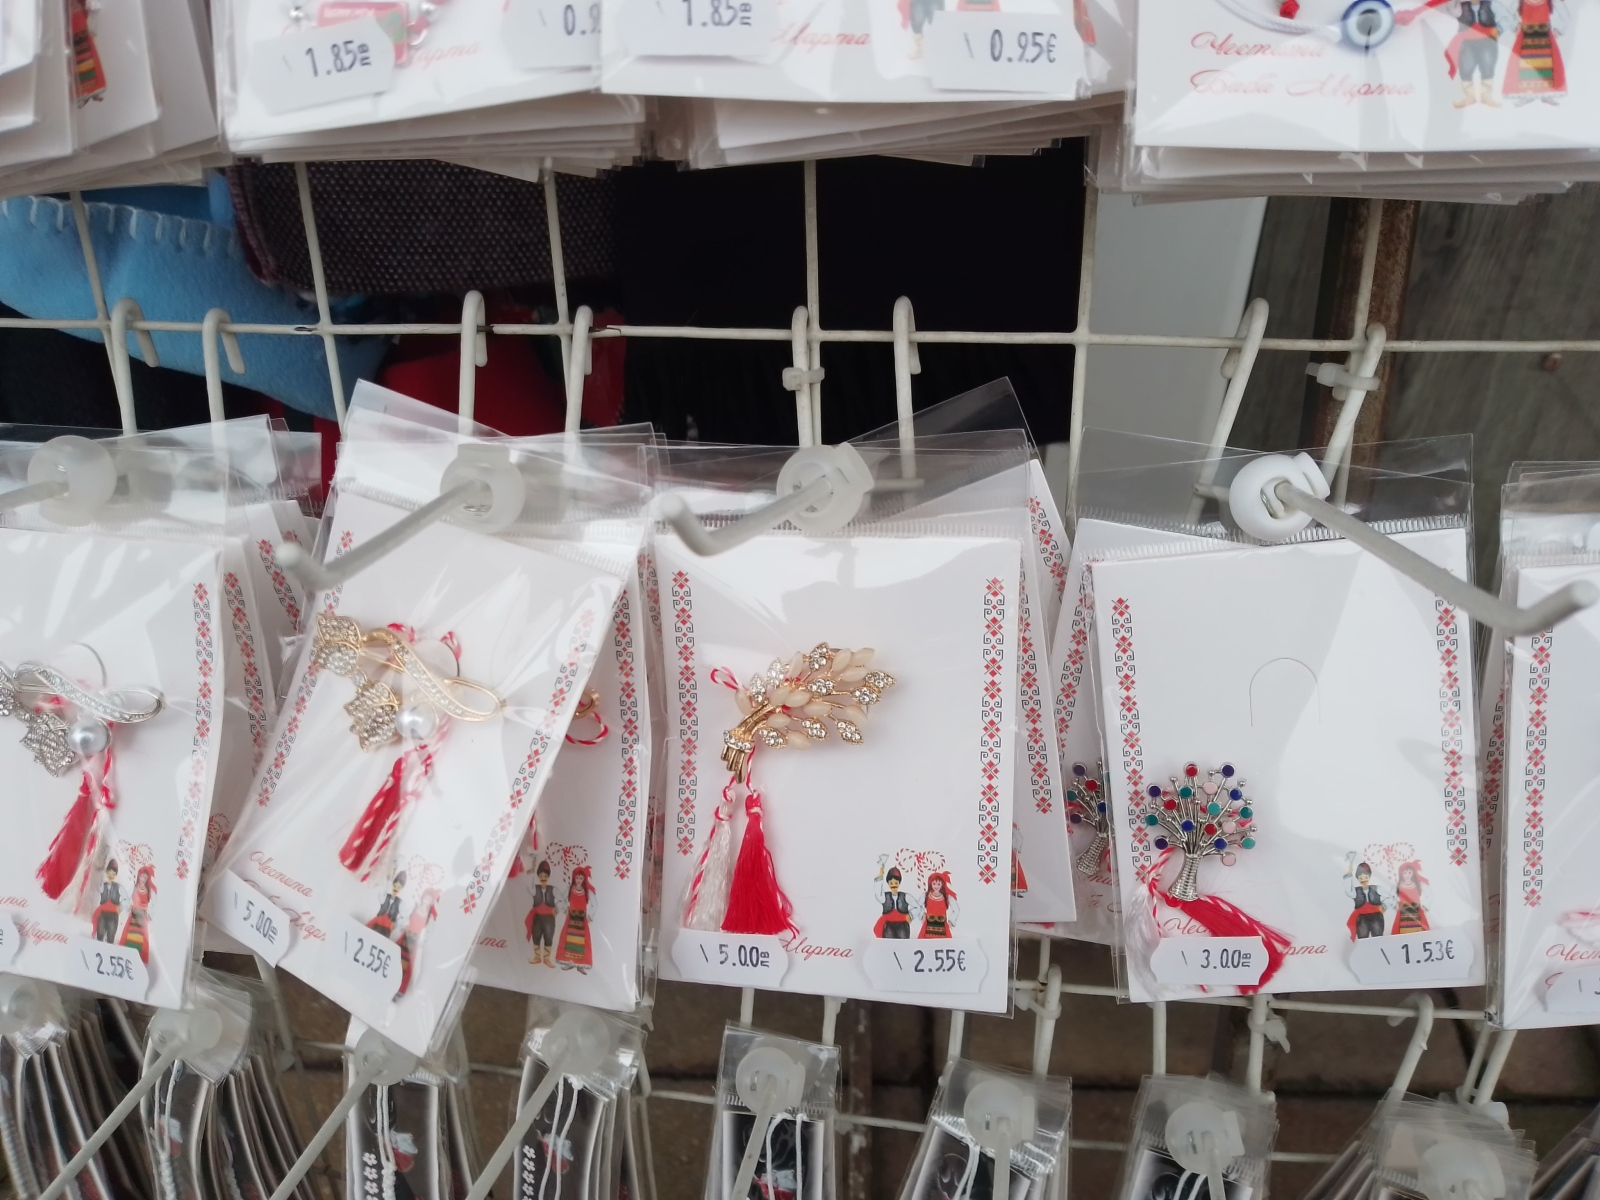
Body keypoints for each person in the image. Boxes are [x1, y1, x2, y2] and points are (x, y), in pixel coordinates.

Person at [1396, 0, 1500, 105]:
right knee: (1466, 68)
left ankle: (1487, 97)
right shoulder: (1458, 7)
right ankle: (1469, 97)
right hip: (1467, 40)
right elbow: (1453, 10)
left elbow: (1504, 16)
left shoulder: (1491, 4)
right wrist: (1414, 12)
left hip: (1487, 39)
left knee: (1487, 67)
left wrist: (1499, 29)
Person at [1503, 0, 1566, 103]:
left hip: (1545, 38)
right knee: (1525, 66)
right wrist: (1515, 26)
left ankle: (1546, 94)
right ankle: (1527, 94)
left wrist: (1558, 29)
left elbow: (1564, 14)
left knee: (1546, 66)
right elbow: (1507, 13)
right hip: (1525, 38)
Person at [396, 887, 439, 999]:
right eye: (425, 898)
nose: (426, 901)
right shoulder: (415, 907)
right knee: (396, 957)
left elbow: (429, 931)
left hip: (414, 942)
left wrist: (422, 940)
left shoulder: (429, 916)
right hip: (405, 937)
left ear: (431, 902)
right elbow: (405, 917)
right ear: (422, 897)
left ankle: (400, 989)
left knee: (408, 966)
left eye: (429, 900)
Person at [555, 866, 595, 971]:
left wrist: (590, 915)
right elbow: (562, 899)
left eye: (581, 878)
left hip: (582, 920)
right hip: (571, 919)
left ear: (584, 879)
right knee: (569, 941)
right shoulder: (569, 889)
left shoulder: (587, 891)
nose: (578, 880)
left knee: (582, 943)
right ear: (574, 878)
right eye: (577, 878)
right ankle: (570, 962)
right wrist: (564, 909)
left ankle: (580, 965)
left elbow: (594, 904)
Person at [118, 865, 156, 964]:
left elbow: (153, 904)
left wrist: (150, 914)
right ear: (139, 876)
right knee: (129, 935)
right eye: (142, 876)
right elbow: (127, 898)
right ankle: (126, 954)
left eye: (145, 878)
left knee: (141, 938)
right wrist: (124, 907)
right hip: (133, 915)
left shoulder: (149, 891)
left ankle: (138, 957)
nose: (143, 879)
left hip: (142, 917)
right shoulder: (134, 888)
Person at [525, 861, 559, 966]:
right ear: (538, 876)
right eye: (541, 876)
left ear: (548, 876)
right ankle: (537, 957)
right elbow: (529, 886)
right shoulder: (535, 889)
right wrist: (531, 871)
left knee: (548, 937)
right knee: (536, 937)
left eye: (545, 876)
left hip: (549, 919)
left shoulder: (553, 889)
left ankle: (546, 959)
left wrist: (556, 909)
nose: (543, 878)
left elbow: (563, 900)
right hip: (538, 918)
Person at [1346, 861, 1386, 940]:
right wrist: (1348, 876)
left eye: (1366, 877)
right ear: (1358, 878)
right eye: (1361, 878)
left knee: (1378, 935)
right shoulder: (1355, 891)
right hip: (1362, 917)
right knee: (1363, 936)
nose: (1363, 880)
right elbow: (1348, 891)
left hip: (1376, 916)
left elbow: (1389, 896)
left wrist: (1384, 907)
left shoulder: (1377, 888)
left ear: (1369, 877)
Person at [873, 864, 912, 939]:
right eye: (891, 883)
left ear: (899, 883)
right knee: (888, 941)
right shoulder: (885, 897)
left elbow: (917, 906)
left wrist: (911, 916)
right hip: (889, 925)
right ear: (888, 883)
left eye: (896, 883)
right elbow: (878, 894)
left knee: (903, 941)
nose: (894, 885)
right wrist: (880, 877)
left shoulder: (905, 896)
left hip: (902, 925)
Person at [1391, 860, 1431, 934]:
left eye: (1409, 872)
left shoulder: (1418, 884)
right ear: (1401, 873)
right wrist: (1395, 905)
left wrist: (1425, 906)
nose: (1407, 875)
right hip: (1403, 912)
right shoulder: (1398, 885)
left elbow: (1430, 894)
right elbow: (1391, 895)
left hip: (1417, 911)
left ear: (1413, 873)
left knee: (1421, 933)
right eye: (1405, 873)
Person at [368, 871, 406, 939]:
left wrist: (396, 925)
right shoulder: (385, 896)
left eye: (398, 887)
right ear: (392, 886)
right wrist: (388, 882)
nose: (396, 888)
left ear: (401, 889)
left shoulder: (400, 903)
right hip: (377, 921)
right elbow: (381, 895)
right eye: (395, 886)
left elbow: (403, 917)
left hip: (387, 926)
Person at [919, 872, 957, 939]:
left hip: (943, 928)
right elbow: (917, 906)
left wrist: (951, 921)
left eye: (938, 884)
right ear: (931, 884)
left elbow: (956, 910)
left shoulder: (947, 897)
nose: (936, 886)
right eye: (934, 884)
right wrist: (923, 915)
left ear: (942, 884)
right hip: (928, 927)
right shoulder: (925, 895)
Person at [91, 860, 120, 943]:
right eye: (109, 873)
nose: (111, 876)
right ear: (106, 873)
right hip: (103, 913)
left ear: (116, 875)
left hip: (113, 915)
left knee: (111, 935)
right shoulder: (103, 885)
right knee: (100, 934)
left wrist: (121, 908)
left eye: (113, 874)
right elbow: (97, 888)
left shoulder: (118, 887)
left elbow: (124, 899)